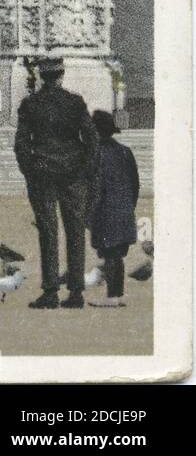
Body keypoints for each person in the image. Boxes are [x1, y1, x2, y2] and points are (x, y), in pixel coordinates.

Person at [15, 56, 99, 310]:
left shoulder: (30, 104)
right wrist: (84, 168)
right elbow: (92, 139)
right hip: (73, 173)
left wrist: (30, 169)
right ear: (61, 76)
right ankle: (75, 292)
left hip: (42, 173)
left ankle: (50, 291)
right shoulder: (75, 102)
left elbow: (21, 143)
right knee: (75, 232)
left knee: (48, 232)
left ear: (42, 76)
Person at [87, 110, 138, 309]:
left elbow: (93, 188)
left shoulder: (94, 154)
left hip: (105, 213)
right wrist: (127, 208)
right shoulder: (125, 151)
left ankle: (112, 297)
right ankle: (116, 295)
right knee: (116, 256)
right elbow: (135, 185)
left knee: (110, 256)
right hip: (123, 211)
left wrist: (89, 216)